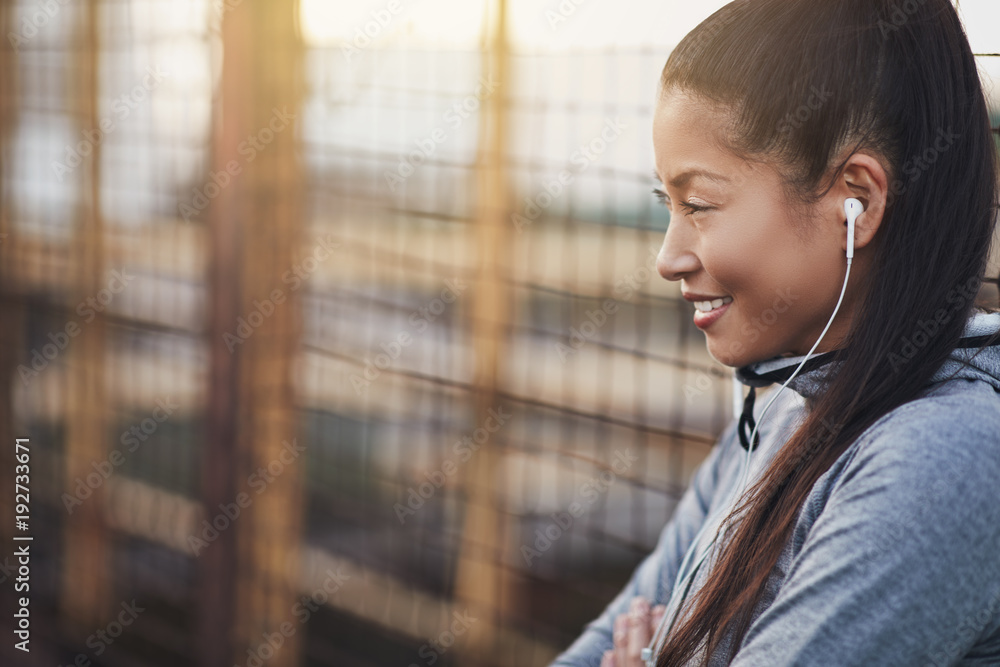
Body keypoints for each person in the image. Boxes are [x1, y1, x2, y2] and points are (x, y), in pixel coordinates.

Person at [550, 0, 1000, 665]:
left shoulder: (944, 455)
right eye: (665, 205)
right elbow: (605, 636)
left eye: (698, 204)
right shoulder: (784, 402)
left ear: (860, 200)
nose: (667, 256)